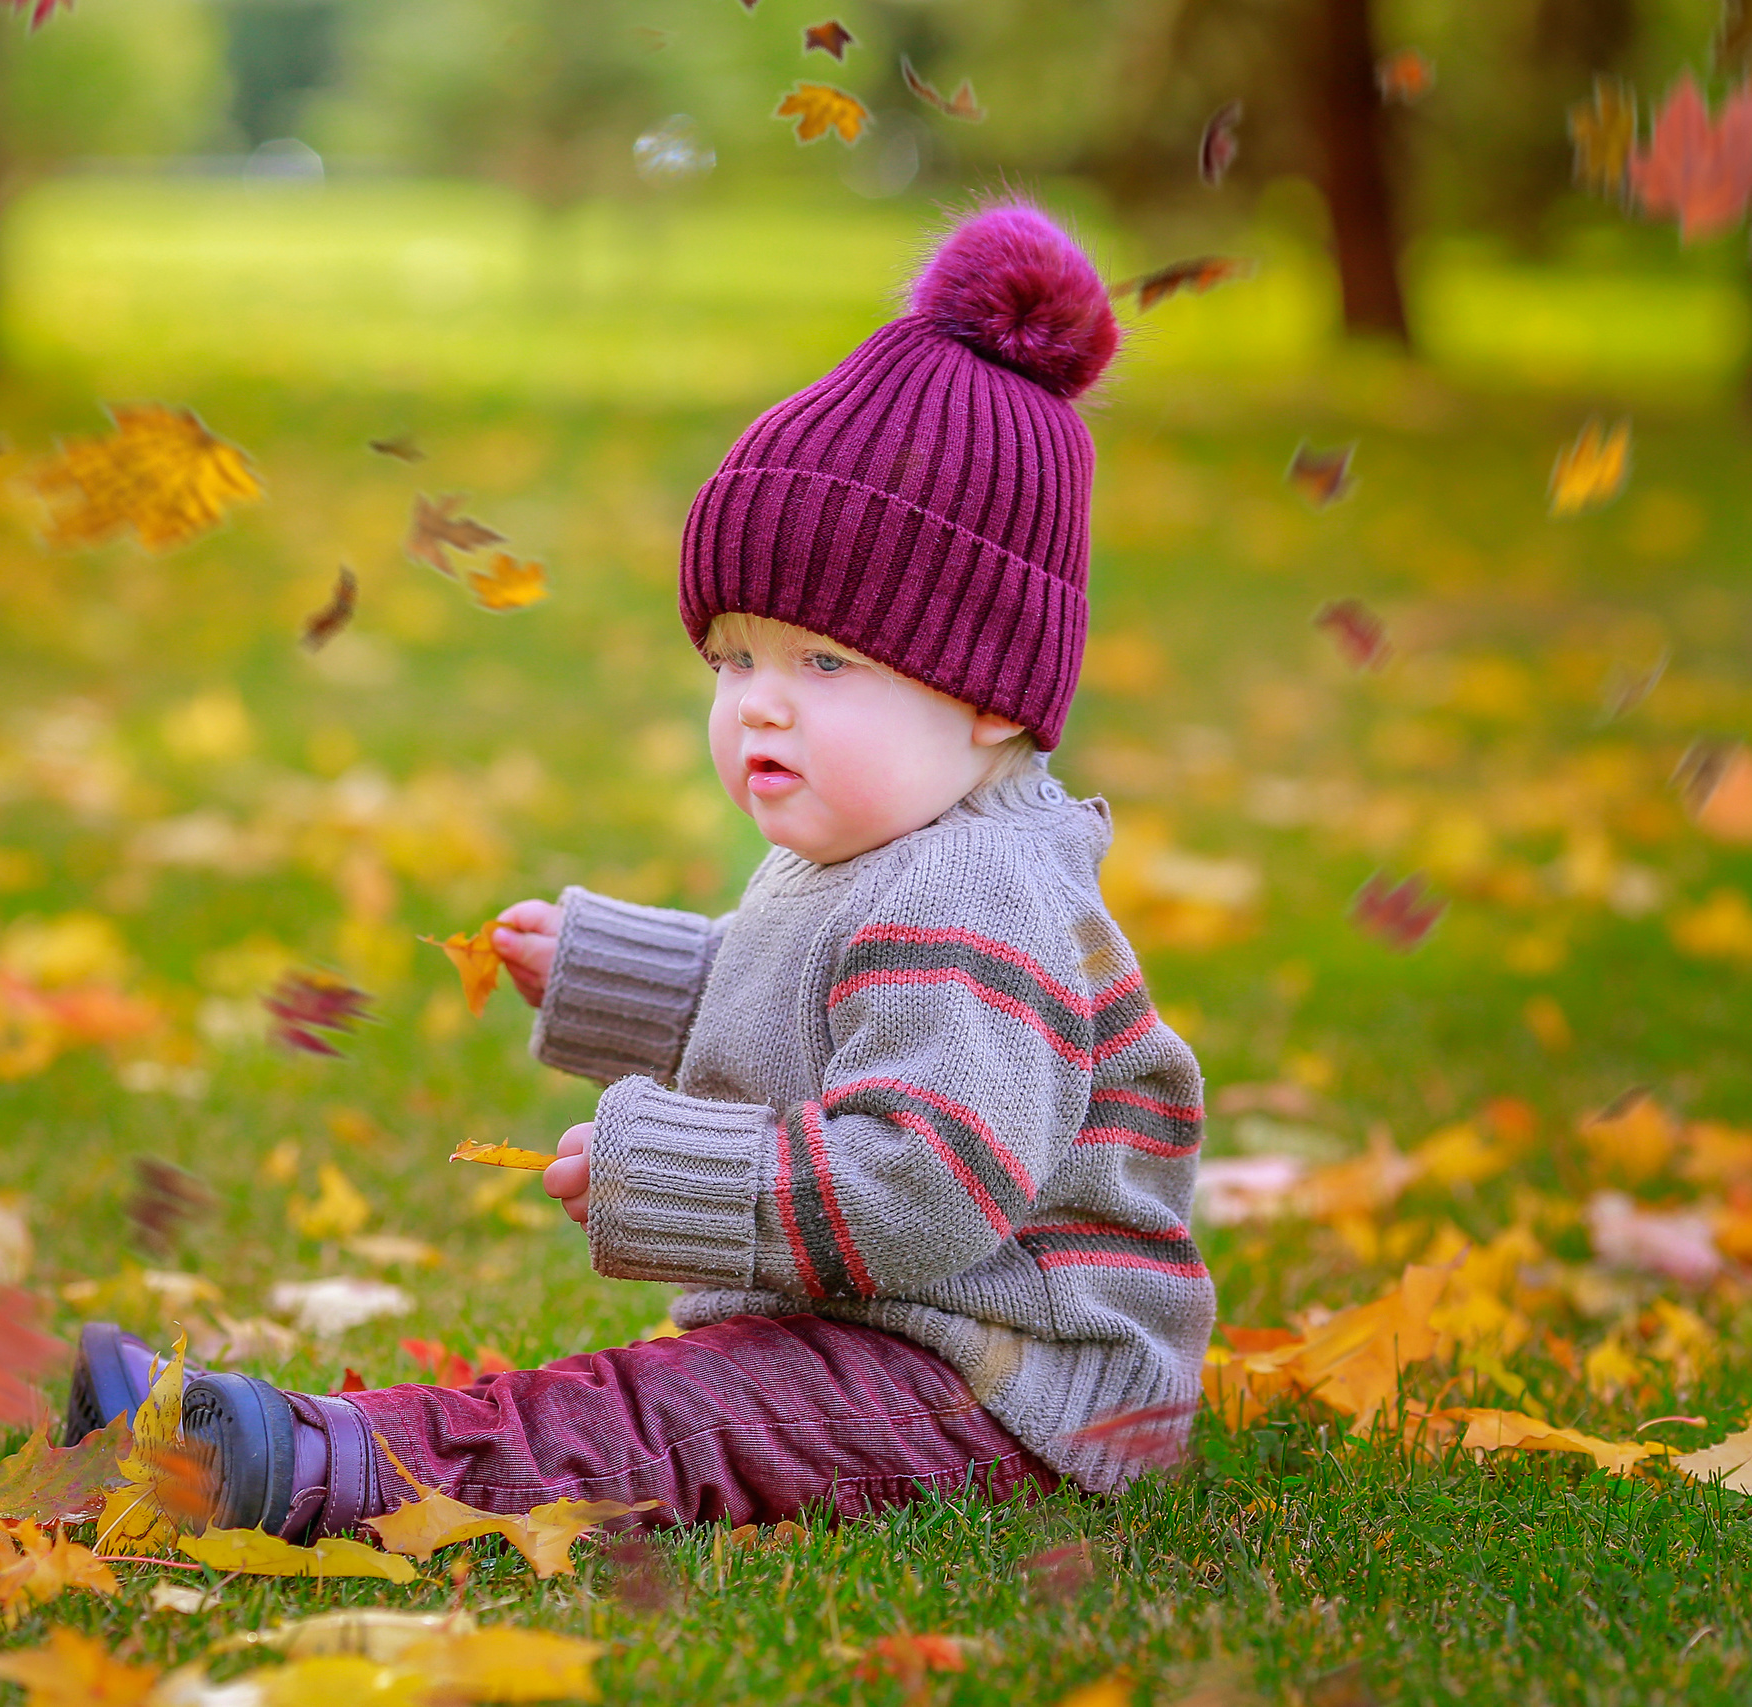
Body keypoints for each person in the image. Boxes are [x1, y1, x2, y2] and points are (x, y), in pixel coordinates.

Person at [64, 200, 1214, 1542]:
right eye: (735, 658)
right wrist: (628, 979)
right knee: (671, 1399)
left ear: (990, 701)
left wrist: (680, 1170)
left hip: (1013, 1389)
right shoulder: (881, 847)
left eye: (824, 663)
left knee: (664, 1421)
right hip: (888, 1335)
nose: (760, 703)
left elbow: (925, 1188)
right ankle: (292, 1437)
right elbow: (815, 1006)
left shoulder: (978, 895)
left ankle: (305, 1466)